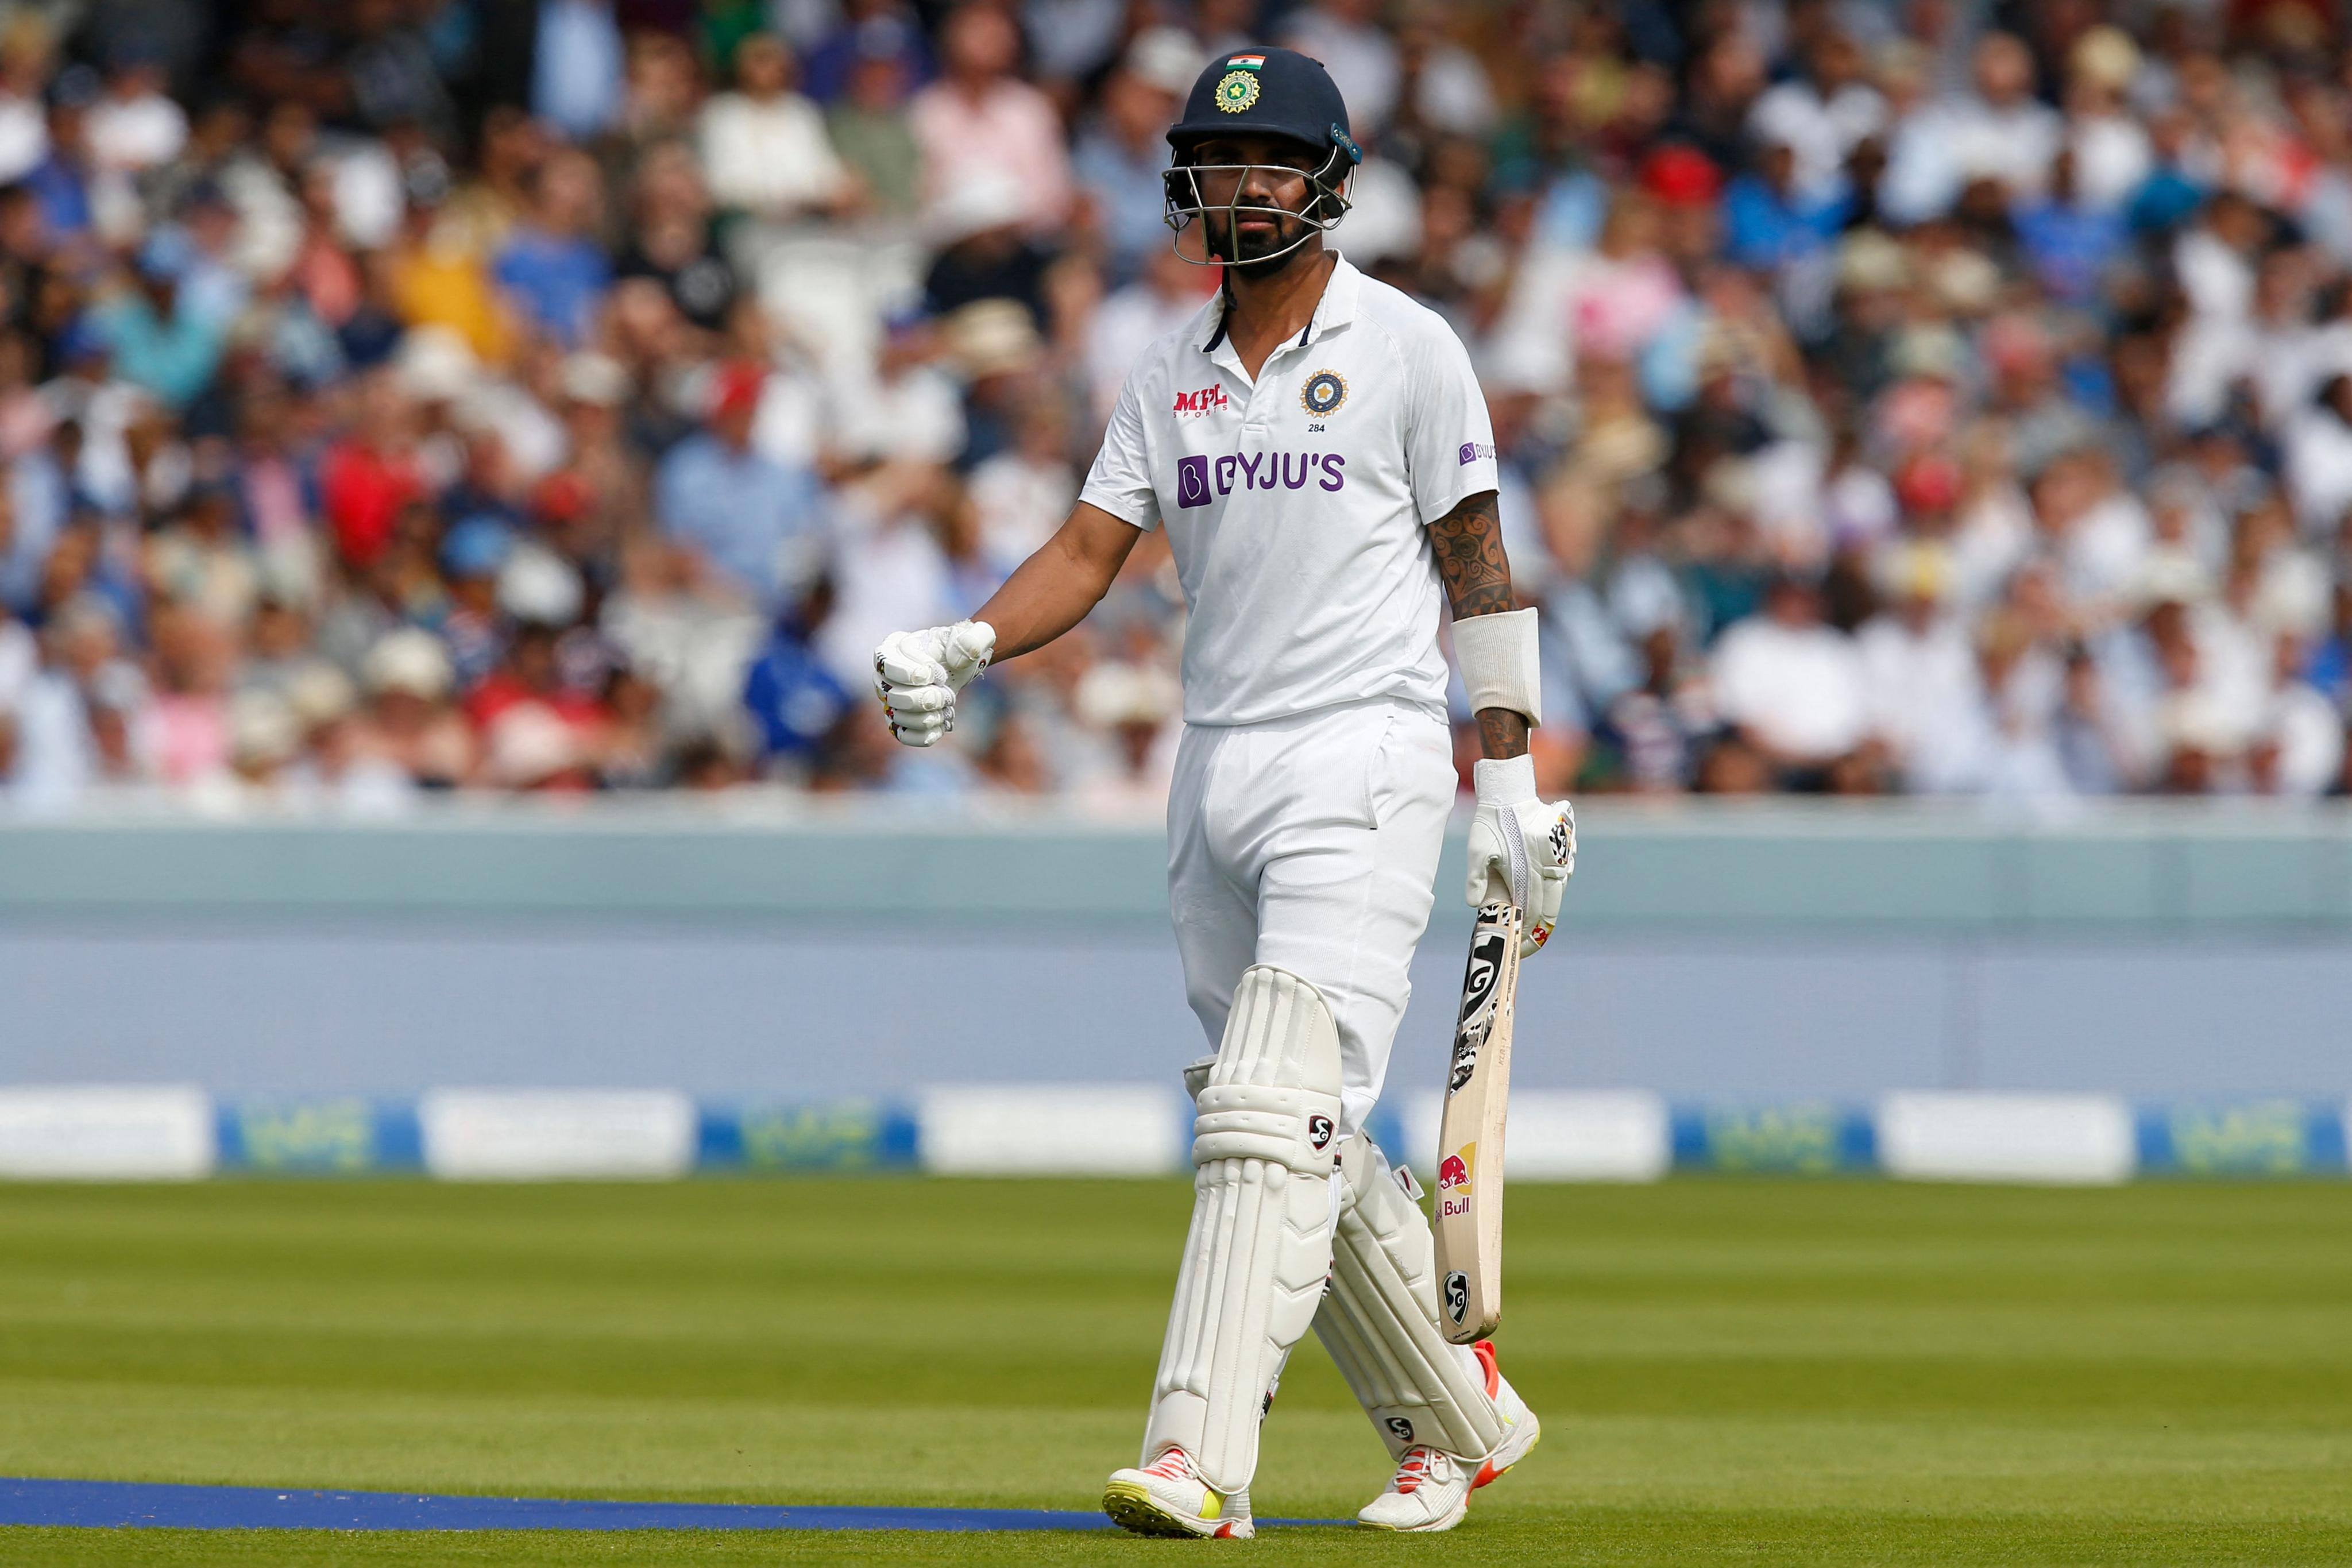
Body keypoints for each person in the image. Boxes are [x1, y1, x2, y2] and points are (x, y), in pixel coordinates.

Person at [871, 48, 1570, 1537]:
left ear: (1326, 184)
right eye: (1218, 162)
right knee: (1297, 1128)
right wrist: (971, 637)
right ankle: (1463, 1414)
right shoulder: (1169, 365)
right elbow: (1086, 548)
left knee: (1270, 1114)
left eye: (1272, 165)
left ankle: (1200, 1462)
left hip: (1364, 757)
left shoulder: (1406, 345)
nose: (1242, 188)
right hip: (1216, 769)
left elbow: (1481, 568)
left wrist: (1505, 773)